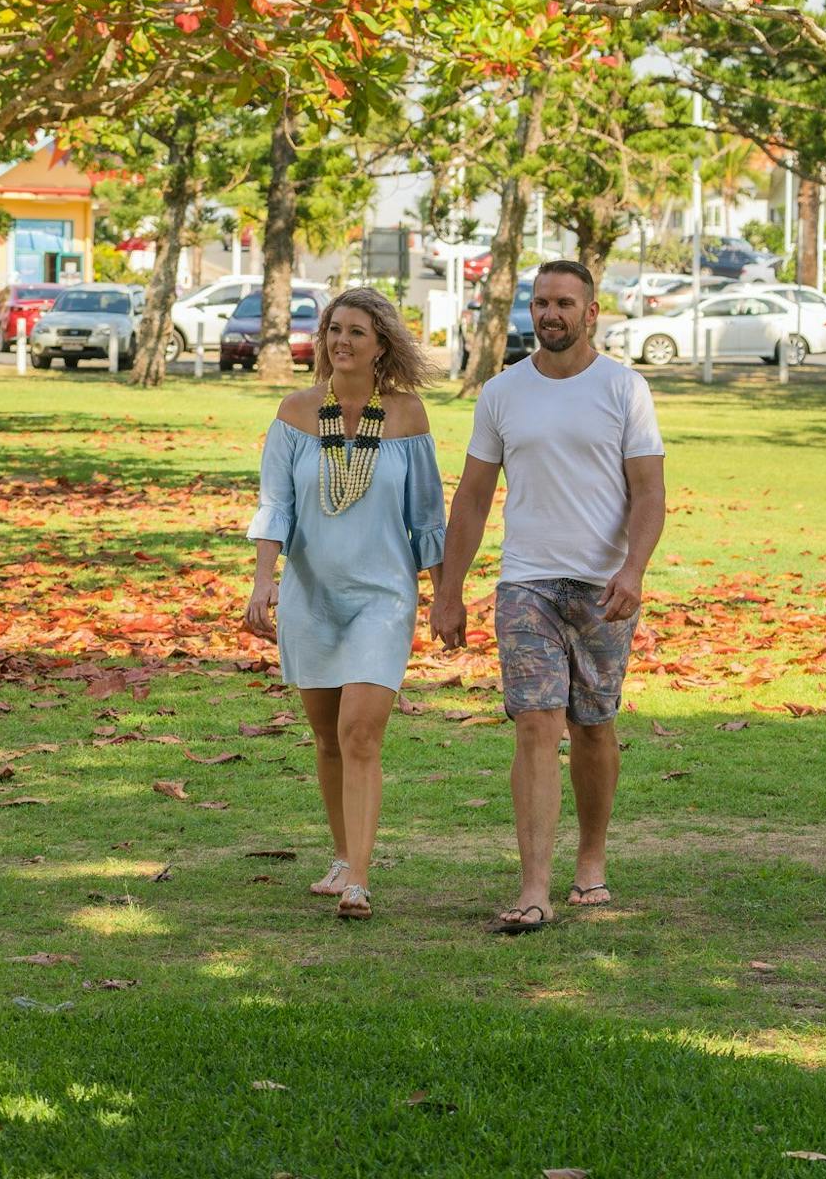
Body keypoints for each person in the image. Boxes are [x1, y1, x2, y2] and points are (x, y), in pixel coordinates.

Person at [432, 261, 666, 935]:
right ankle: (533, 887)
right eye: (540, 303)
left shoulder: (624, 387)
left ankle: (590, 858)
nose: (549, 314)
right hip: (526, 582)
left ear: (591, 312)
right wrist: (449, 588)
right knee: (535, 723)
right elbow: (473, 497)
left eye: (564, 303)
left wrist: (633, 569)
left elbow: (649, 492)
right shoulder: (503, 393)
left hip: (603, 586)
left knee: (593, 727)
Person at [244, 286, 446, 921]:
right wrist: (262, 581)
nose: (341, 341)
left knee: (360, 731)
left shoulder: (407, 417)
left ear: (382, 343)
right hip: (311, 596)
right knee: (328, 738)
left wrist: (446, 597)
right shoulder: (296, 414)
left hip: (383, 596)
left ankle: (359, 878)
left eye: (356, 331)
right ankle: (340, 856)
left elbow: (427, 517)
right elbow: (276, 505)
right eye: (334, 329)